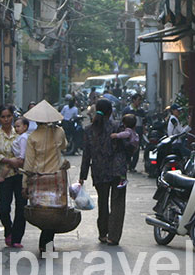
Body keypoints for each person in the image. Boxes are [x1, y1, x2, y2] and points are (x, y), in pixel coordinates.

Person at [79, 99, 131, 245]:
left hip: (99, 170)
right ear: (111, 111)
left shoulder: (89, 130)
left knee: (103, 202)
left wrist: (82, 176)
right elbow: (127, 146)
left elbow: (86, 154)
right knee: (118, 203)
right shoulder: (117, 126)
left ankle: (103, 233)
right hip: (117, 170)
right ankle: (113, 236)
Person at [23, 101, 68, 254]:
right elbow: (64, 146)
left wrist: (25, 184)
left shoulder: (33, 137)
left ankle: (45, 243)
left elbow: (28, 163)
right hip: (56, 178)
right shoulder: (59, 131)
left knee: (42, 210)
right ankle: (47, 243)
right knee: (54, 210)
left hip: (38, 179)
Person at [0, 106, 25, 248]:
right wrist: (11, 161)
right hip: (4, 175)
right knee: (4, 207)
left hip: (20, 174)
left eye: (9, 116)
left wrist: (19, 162)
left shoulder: (20, 134)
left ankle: (16, 238)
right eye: (3, 117)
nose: (6, 119)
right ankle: (8, 230)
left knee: (21, 207)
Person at [110, 114, 139, 188]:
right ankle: (123, 179)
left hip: (130, 149)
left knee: (123, 166)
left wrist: (116, 135)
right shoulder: (133, 131)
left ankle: (123, 180)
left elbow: (125, 134)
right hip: (133, 148)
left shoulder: (128, 131)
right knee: (125, 164)